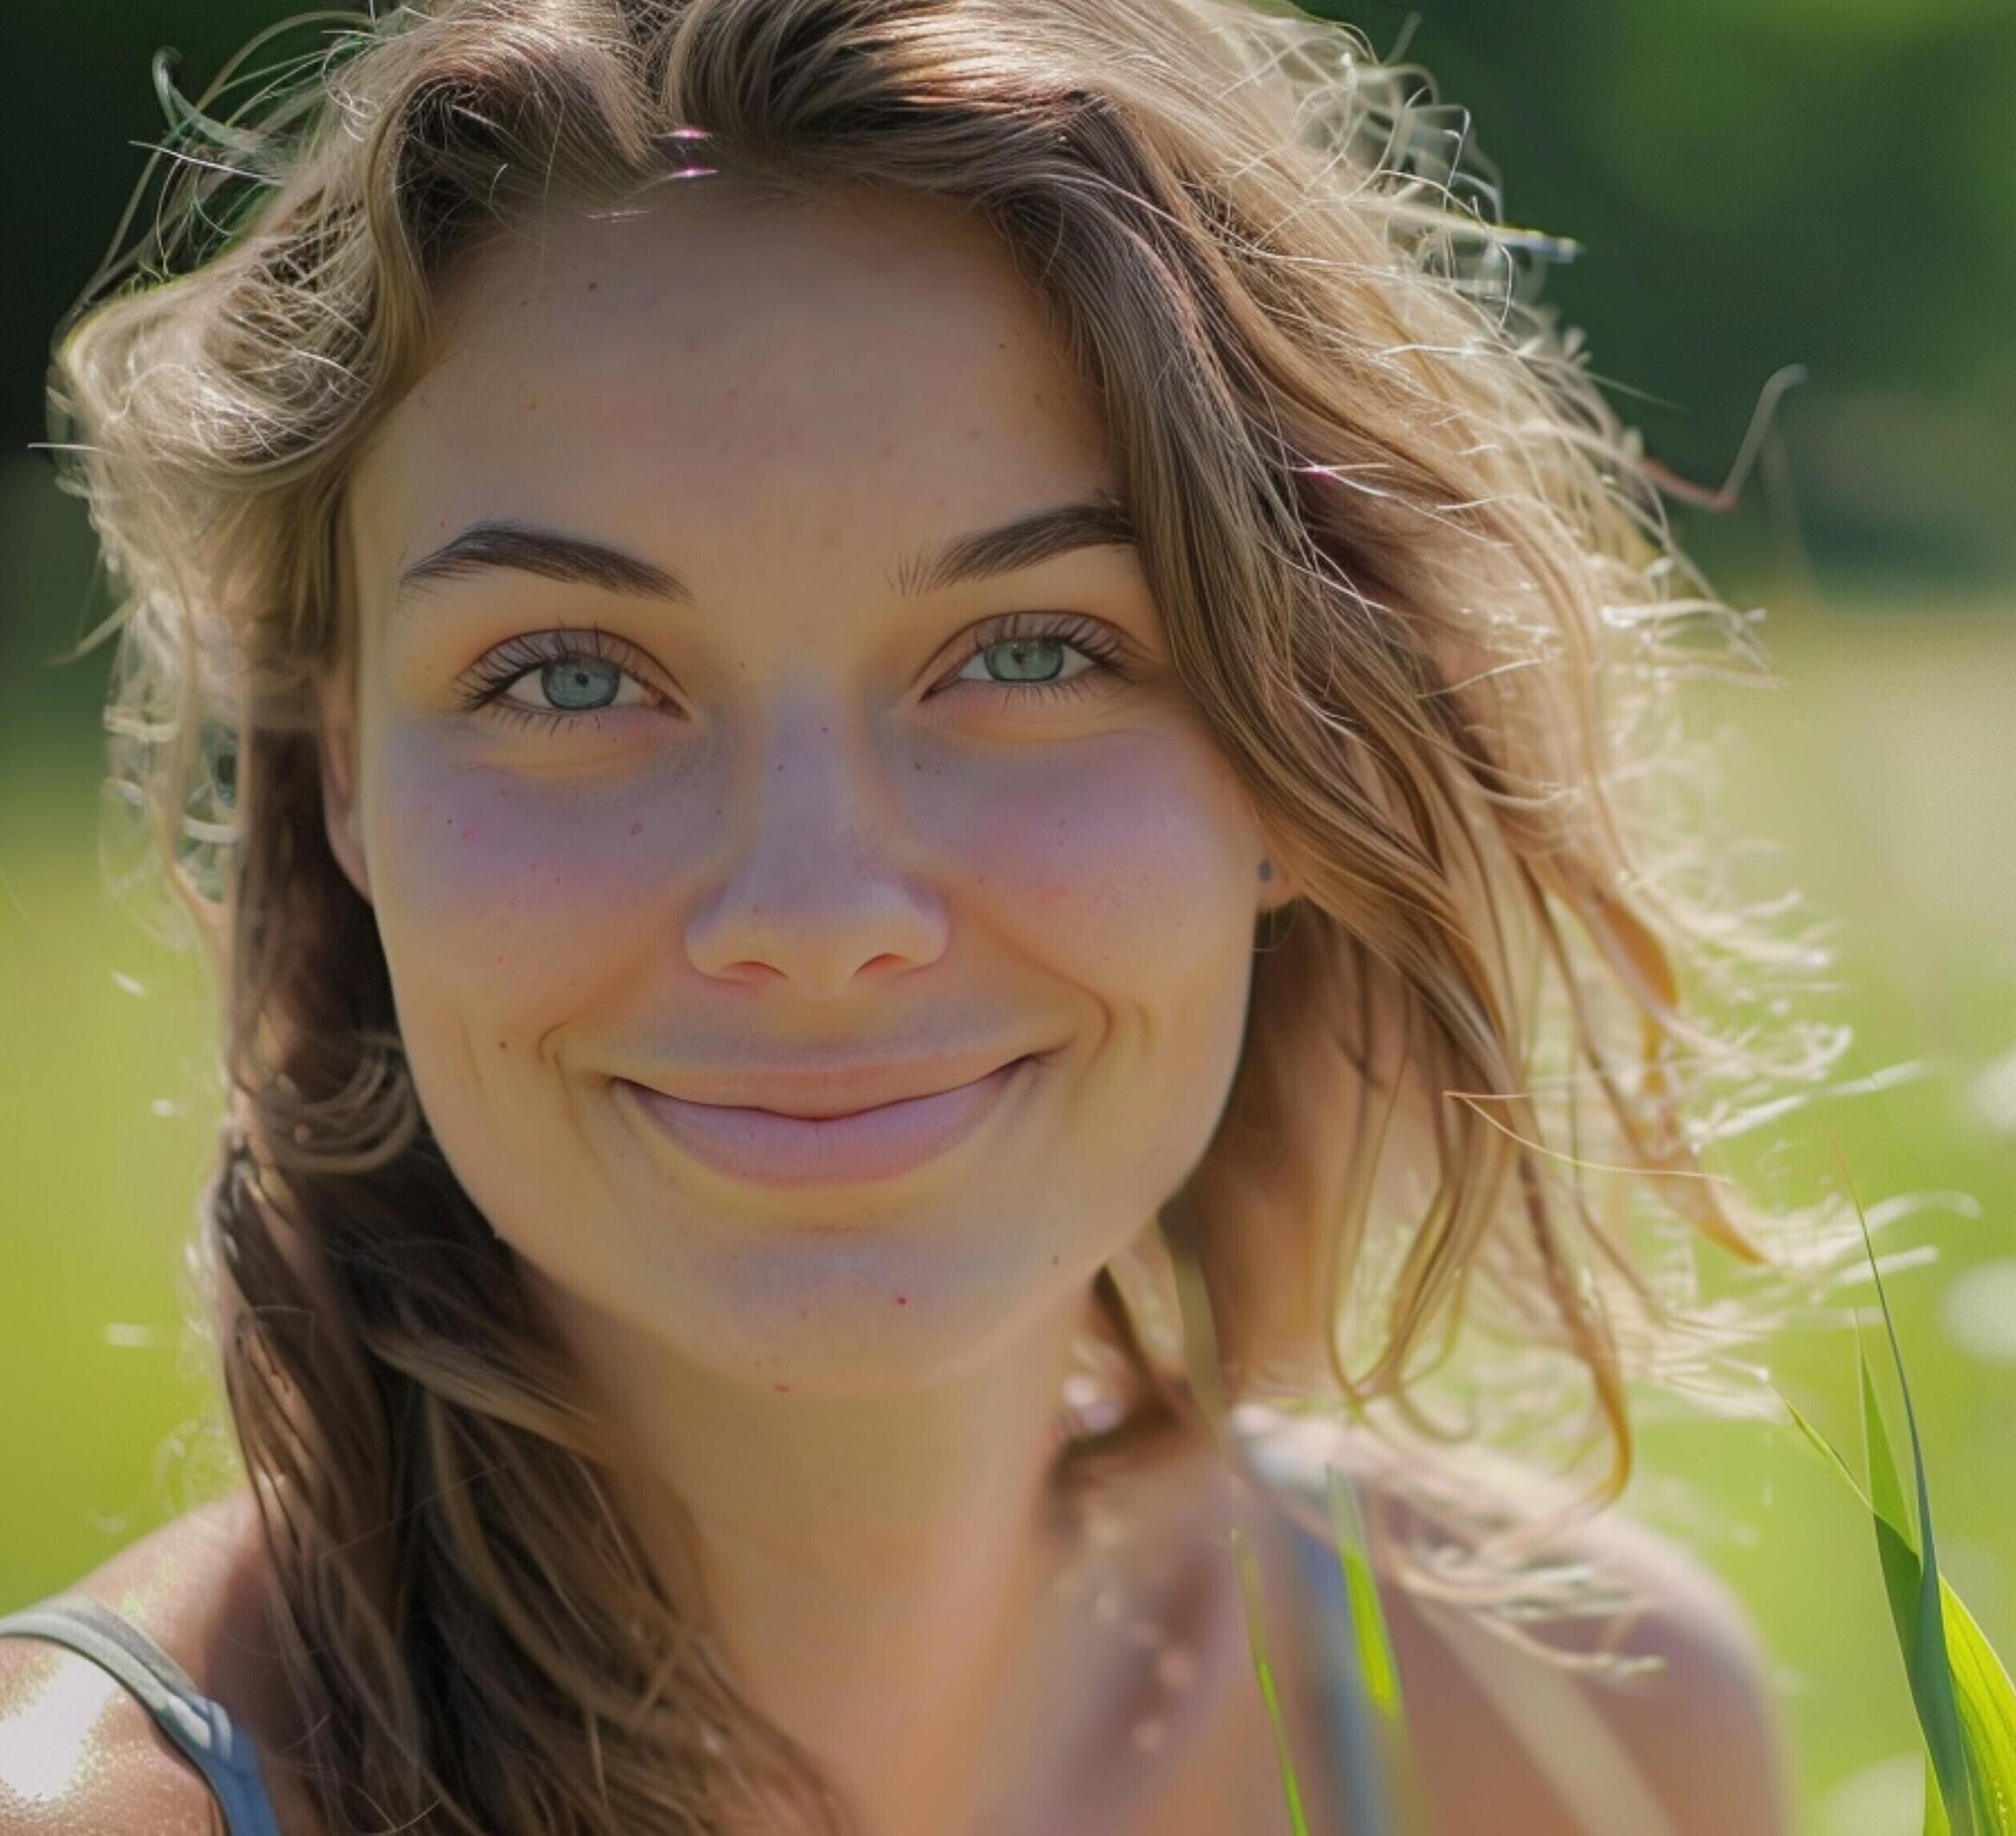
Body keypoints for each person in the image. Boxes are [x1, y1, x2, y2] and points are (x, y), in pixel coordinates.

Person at [0, 2, 1838, 1829]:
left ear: (1305, 743)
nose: (813, 911)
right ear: (345, 781)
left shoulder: (1575, 1740)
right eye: (567, 674)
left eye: (1034, 649)